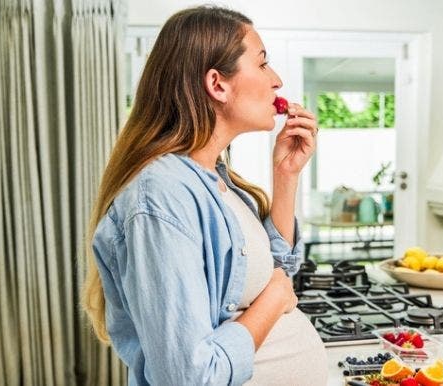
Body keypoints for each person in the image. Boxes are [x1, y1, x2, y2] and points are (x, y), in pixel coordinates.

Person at [81, 5, 327, 386]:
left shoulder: (215, 179)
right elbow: (189, 376)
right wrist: (276, 299)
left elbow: (275, 273)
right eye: (263, 64)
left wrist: (286, 176)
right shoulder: (161, 197)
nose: (276, 80)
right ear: (217, 84)